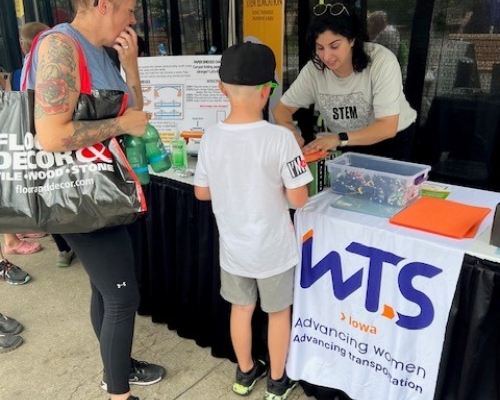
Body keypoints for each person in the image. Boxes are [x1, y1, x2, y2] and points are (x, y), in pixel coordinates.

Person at [22, 1, 165, 400]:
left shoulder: (94, 50)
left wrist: (131, 65)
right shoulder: (60, 46)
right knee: (122, 295)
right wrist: (119, 124)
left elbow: (135, 114)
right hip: (75, 197)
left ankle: (116, 366)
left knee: (106, 290)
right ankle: (118, 393)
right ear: (105, 5)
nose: (134, 19)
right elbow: (50, 136)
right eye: (131, 8)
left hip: (99, 191)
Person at [194, 42, 313, 400]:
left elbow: (202, 193)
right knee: (278, 313)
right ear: (267, 92)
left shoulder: (211, 136)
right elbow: (299, 199)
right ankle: (277, 381)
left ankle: (245, 373)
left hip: (234, 248)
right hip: (274, 249)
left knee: (241, 308)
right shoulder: (281, 139)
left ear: (221, 89)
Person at [273, 2, 417, 161]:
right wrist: (292, 132)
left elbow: (387, 127)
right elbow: (282, 109)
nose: (327, 56)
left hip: (389, 141)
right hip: (343, 141)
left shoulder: (382, 61)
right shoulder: (314, 69)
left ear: (352, 40)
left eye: (334, 46)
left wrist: (337, 139)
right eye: (320, 48)